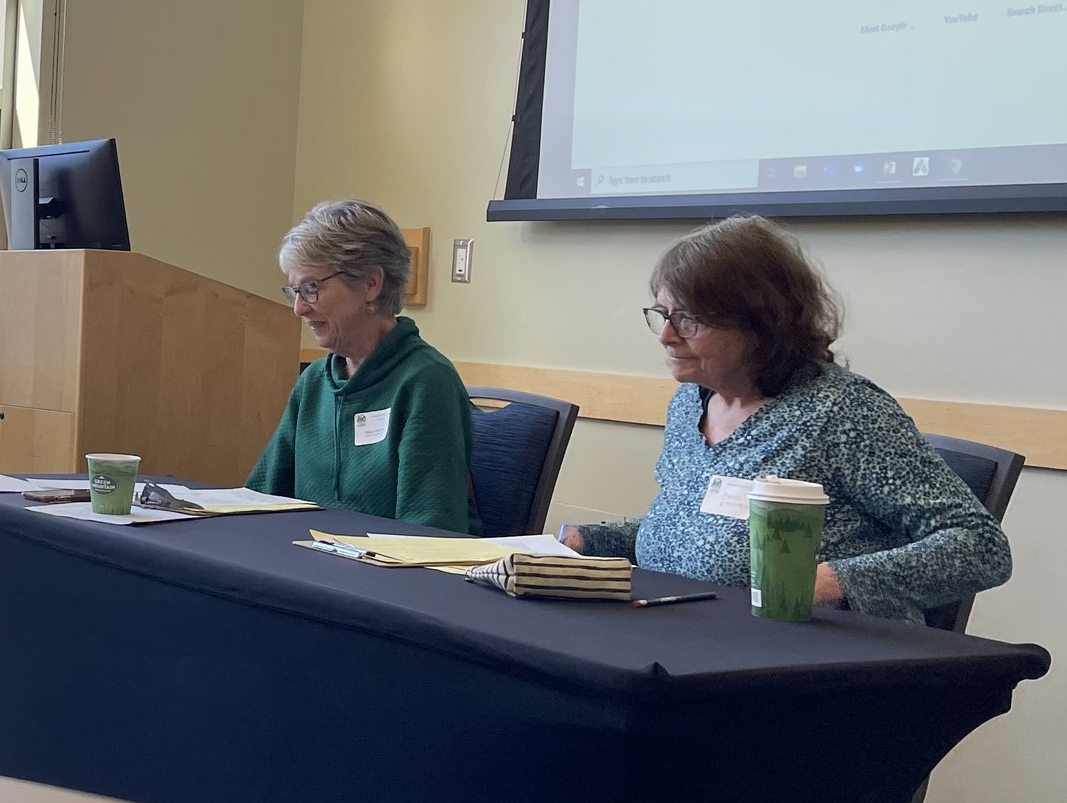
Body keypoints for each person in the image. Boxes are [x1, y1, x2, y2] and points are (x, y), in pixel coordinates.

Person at [564, 216, 1010, 622]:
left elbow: (980, 547)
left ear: (760, 325)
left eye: (688, 319)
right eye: (663, 314)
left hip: (811, 662)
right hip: (687, 636)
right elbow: (696, 526)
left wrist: (830, 581)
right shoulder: (690, 404)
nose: (666, 336)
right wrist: (592, 541)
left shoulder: (842, 411)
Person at [246, 200, 477, 532]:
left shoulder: (426, 382)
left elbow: (429, 533)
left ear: (371, 284)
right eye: (294, 291)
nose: (298, 309)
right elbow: (259, 501)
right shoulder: (314, 382)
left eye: (311, 289)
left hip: (387, 580)